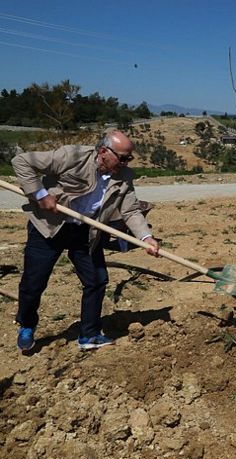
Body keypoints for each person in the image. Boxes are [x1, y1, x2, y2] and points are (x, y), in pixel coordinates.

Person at [11, 130, 160, 352]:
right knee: (34, 282)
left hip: (86, 232)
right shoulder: (72, 156)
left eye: (129, 158)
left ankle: (89, 333)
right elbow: (21, 161)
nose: (126, 162)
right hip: (50, 226)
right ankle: (27, 325)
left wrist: (146, 237)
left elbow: (130, 210)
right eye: (123, 157)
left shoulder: (124, 176)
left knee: (97, 280)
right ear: (103, 152)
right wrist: (40, 195)